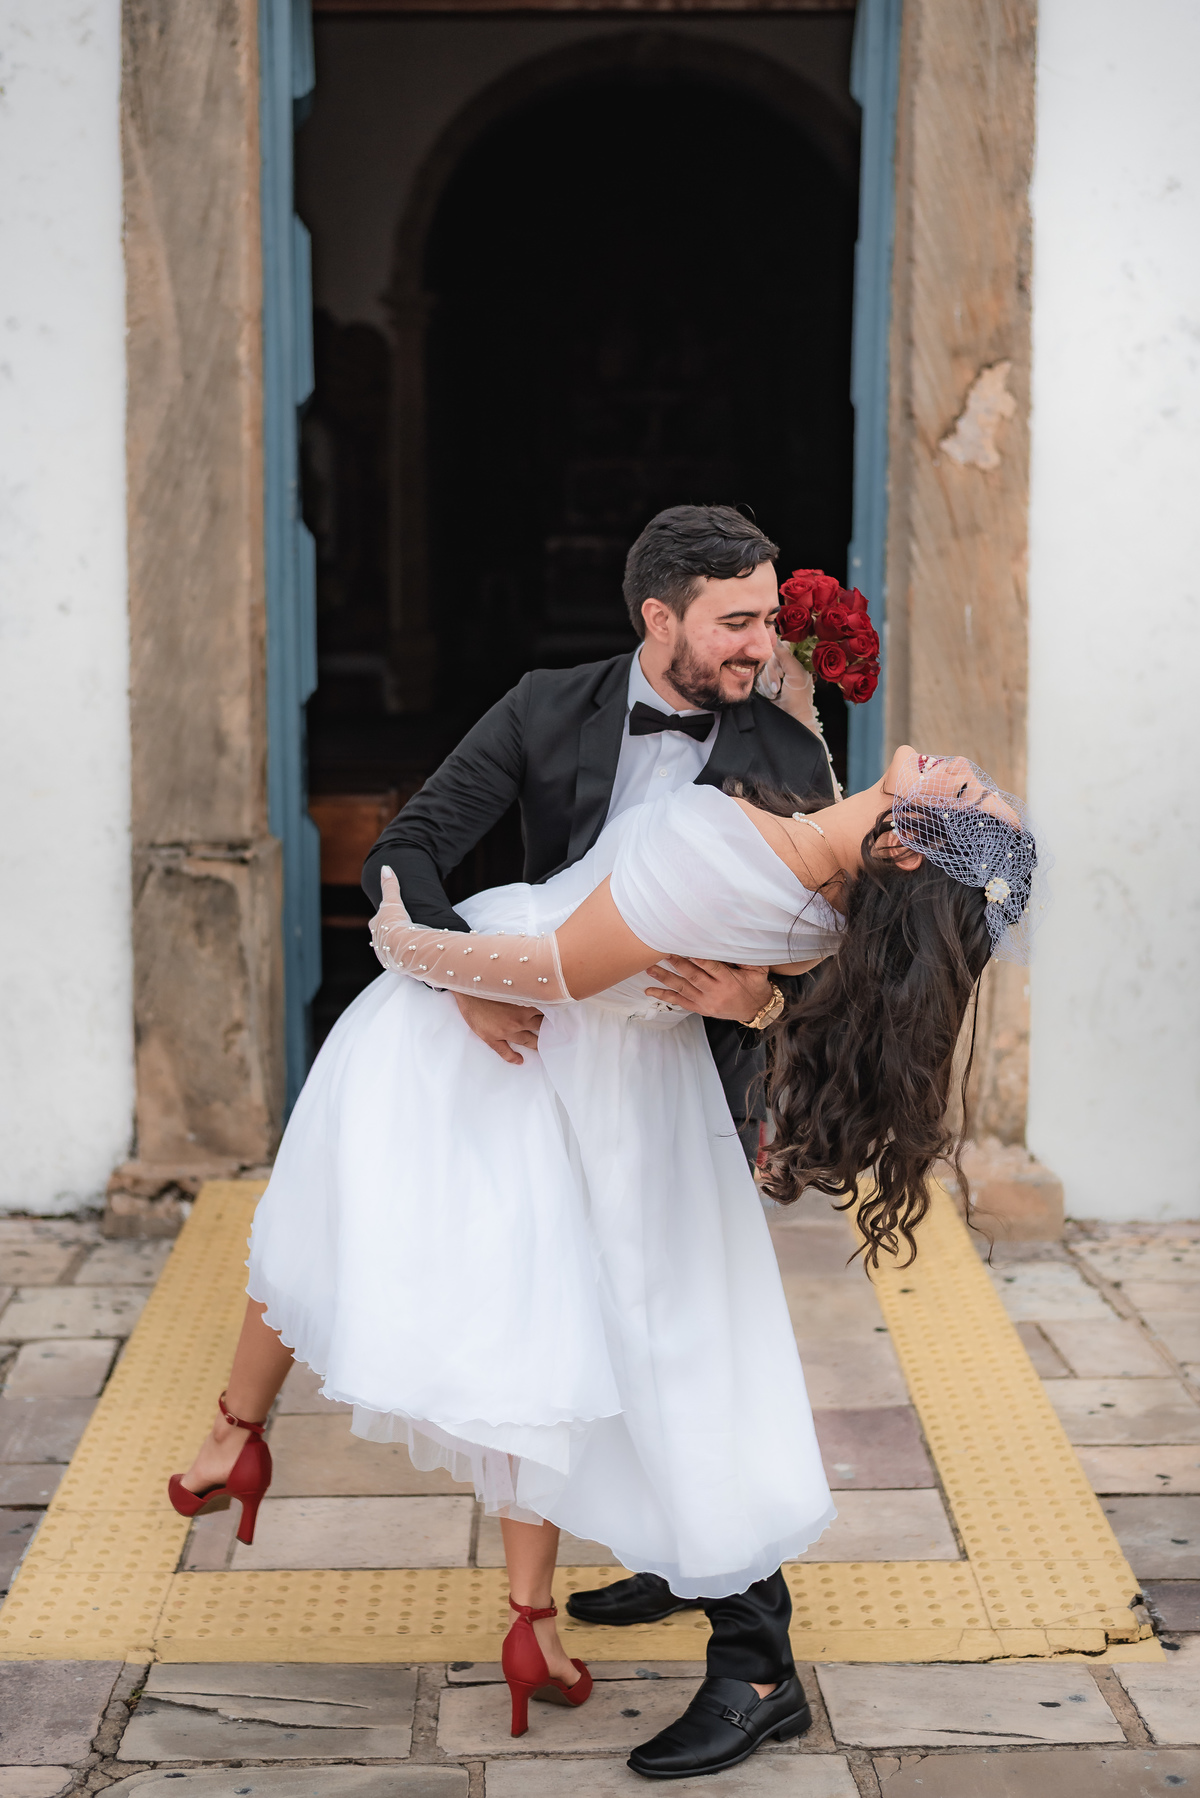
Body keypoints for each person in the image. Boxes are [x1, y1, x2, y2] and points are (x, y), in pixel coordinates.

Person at [168, 704, 1041, 1776]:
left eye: (969, 798)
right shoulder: (824, 893)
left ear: (908, 843)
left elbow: (560, 974)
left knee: (645, 1345)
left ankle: (755, 1669)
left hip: (535, 1053)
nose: (964, 767)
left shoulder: (744, 864)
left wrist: (407, 952)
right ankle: (624, 1577)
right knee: (589, 1335)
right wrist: (766, 1002)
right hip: (600, 1083)